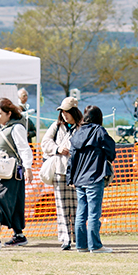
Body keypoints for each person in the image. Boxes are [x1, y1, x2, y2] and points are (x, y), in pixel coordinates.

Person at [0, 97, 34, 246]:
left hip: (14, 172)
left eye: (0, 113)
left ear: (9, 113)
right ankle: (19, 235)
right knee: (14, 203)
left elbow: (24, 149)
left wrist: (28, 168)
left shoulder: (17, 128)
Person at [67, 104, 118, 255]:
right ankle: (95, 245)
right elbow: (111, 150)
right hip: (94, 176)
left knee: (81, 212)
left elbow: (71, 159)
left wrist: (70, 178)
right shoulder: (99, 131)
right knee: (94, 213)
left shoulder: (77, 133)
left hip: (79, 179)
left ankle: (81, 245)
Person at [42, 97, 83, 250]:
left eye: (67, 111)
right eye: (63, 111)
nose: (65, 115)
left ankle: (79, 237)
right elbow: (44, 143)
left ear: (74, 111)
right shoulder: (56, 126)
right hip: (59, 170)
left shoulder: (82, 127)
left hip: (78, 172)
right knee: (62, 207)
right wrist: (57, 149)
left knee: (78, 207)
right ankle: (65, 238)